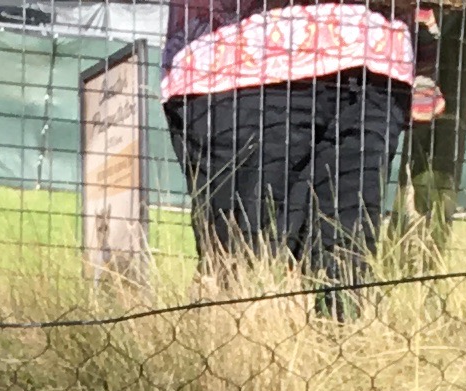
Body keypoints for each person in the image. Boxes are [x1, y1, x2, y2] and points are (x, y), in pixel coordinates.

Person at [160, 0, 443, 315]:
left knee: (347, 269)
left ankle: (339, 355)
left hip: (375, 57)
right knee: (245, 268)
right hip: (246, 56)